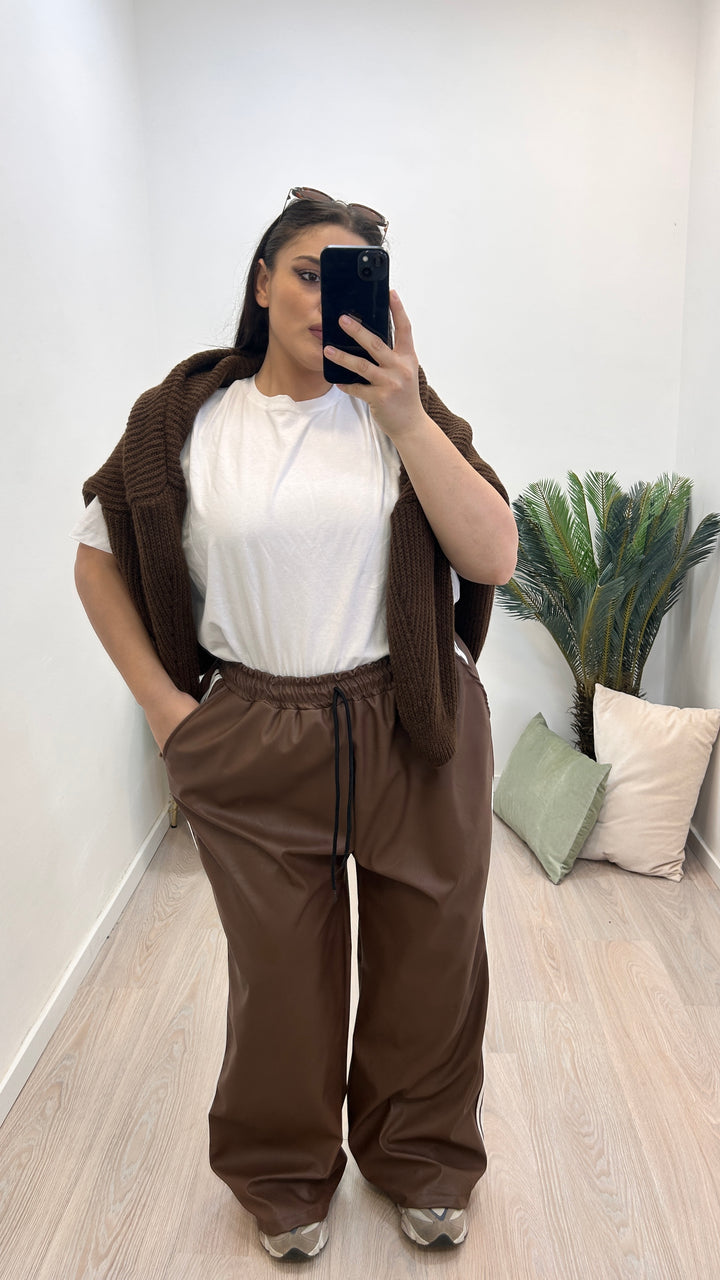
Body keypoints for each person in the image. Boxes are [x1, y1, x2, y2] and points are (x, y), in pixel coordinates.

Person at [72, 187, 518, 1261]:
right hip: (255, 730)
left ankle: (423, 1160)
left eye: (351, 277)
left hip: (414, 719)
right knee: (278, 980)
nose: (326, 297)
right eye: (309, 272)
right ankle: (281, 1175)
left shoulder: (403, 415)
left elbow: (494, 554)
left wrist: (405, 414)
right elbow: (96, 557)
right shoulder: (184, 422)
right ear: (263, 281)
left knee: (432, 963)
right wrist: (170, 713)